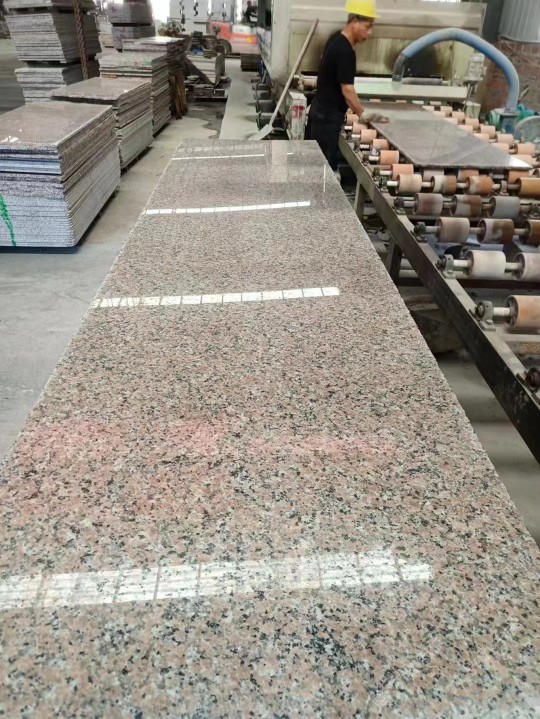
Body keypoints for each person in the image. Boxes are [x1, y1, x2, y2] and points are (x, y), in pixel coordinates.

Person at [306, 0, 385, 174]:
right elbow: (347, 90)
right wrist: (362, 114)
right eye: (367, 27)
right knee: (325, 174)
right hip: (327, 119)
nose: (370, 33)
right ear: (354, 22)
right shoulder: (346, 51)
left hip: (319, 111)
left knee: (316, 168)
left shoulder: (335, 38)